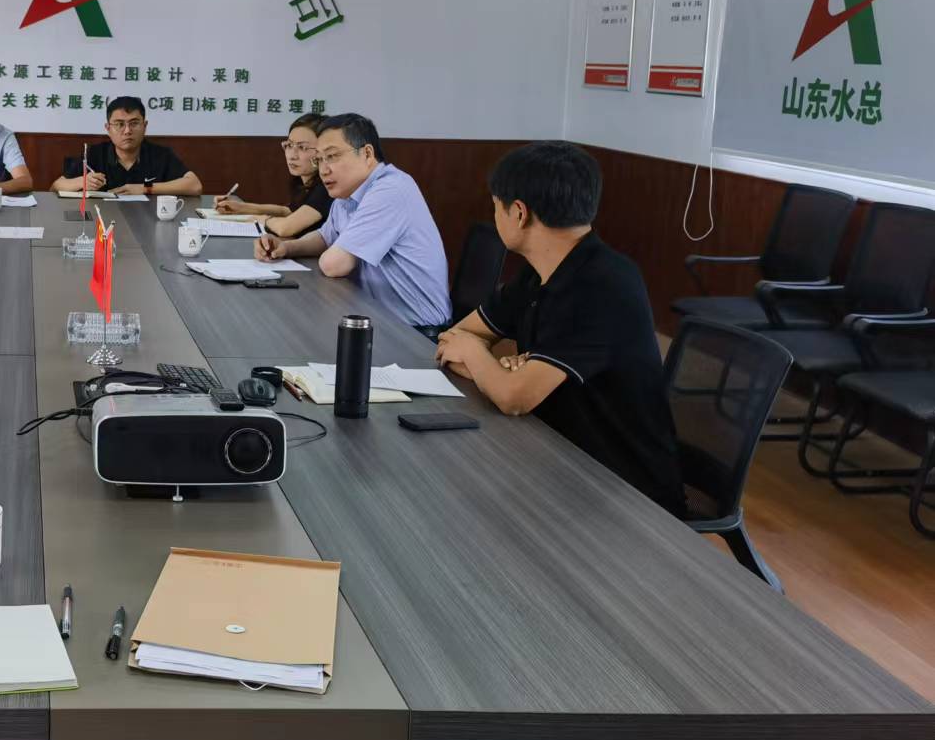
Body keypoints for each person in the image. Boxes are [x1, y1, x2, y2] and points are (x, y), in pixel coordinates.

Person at [434, 141, 684, 517]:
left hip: (624, 491)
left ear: (519, 213)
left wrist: (478, 357)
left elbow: (512, 397)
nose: (495, 214)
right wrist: (498, 372)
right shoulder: (539, 273)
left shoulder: (603, 285)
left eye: (496, 205)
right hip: (557, 455)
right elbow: (450, 340)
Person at [255, 114, 451, 329]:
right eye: (319, 159)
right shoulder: (348, 192)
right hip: (370, 314)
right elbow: (325, 237)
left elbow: (334, 265)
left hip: (414, 330)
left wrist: (325, 252)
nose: (323, 170)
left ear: (367, 153)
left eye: (332, 156)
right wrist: (286, 248)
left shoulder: (391, 189)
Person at [49, 95, 202, 196]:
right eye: (119, 124)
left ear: (145, 126)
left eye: (134, 123)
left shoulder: (161, 155)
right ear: (108, 129)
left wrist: (144, 188)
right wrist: (82, 182)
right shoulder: (94, 154)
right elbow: (56, 186)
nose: (127, 131)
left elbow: (195, 185)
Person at [214, 111, 332, 237]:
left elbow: (286, 228)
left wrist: (262, 220)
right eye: (289, 145)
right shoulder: (303, 181)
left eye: (302, 147)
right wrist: (241, 208)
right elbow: (288, 211)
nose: (292, 155)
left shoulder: (327, 186)